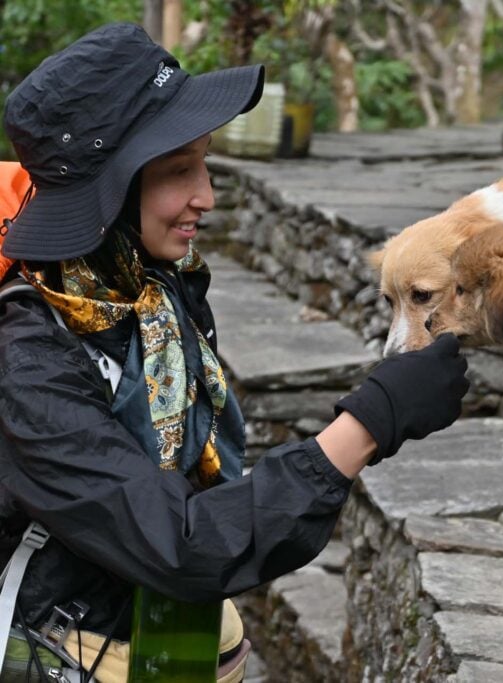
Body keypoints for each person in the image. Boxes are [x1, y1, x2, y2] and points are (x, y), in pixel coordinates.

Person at [0, 22, 470, 681]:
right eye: (177, 170)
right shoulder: (28, 362)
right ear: (110, 193)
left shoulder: (154, 286)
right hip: (65, 653)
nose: (208, 196)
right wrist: (372, 418)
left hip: (178, 640)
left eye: (205, 162)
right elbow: (181, 541)